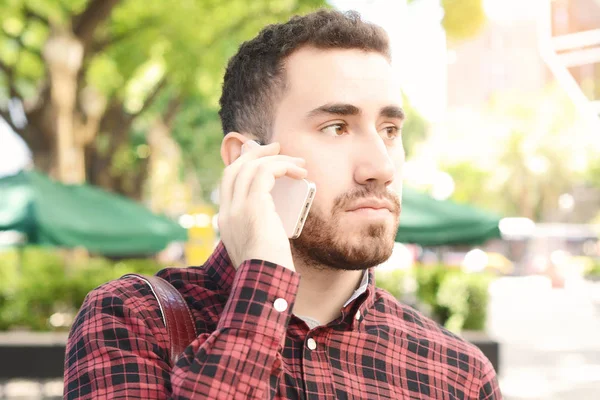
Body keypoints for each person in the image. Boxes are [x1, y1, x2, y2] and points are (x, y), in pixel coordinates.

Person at [64, 9, 501, 399]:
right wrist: (264, 289)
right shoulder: (133, 320)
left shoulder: (457, 374)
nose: (381, 167)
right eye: (336, 127)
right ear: (246, 158)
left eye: (389, 130)